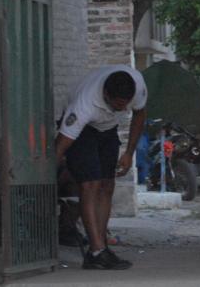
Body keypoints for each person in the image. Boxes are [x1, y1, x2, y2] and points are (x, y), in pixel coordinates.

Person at [56, 65, 147, 270]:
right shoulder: (83, 106)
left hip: (107, 129)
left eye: (126, 105)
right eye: (118, 106)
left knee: (107, 185)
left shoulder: (137, 85)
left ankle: (101, 248)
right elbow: (61, 145)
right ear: (106, 94)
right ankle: (97, 252)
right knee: (90, 185)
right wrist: (45, 176)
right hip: (83, 132)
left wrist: (129, 153)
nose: (123, 110)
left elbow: (140, 115)